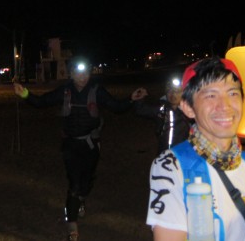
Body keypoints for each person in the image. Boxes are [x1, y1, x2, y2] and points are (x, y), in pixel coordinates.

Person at [13, 56, 147, 241]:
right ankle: (72, 225)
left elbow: (116, 107)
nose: (82, 77)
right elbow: (42, 102)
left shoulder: (97, 90)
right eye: (78, 73)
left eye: (85, 73)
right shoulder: (65, 90)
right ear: (71, 74)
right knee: (74, 184)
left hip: (91, 144)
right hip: (70, 145)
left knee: (87, 181)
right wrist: (25, 94)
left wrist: (131, 98)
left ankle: (81, 199)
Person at [146, 56, 245, 241]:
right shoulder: (171, 167)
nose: (225, 106)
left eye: (233, 93)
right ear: (188, 107)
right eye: (211, 95)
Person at [135, 76, 191, 154]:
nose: (173, 94)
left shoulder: (189, 111)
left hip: (183, 153)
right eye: (169, 91)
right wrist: (139, 98)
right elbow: (141, 110)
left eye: (177, 91)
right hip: (163, 152)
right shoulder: (161, 109)